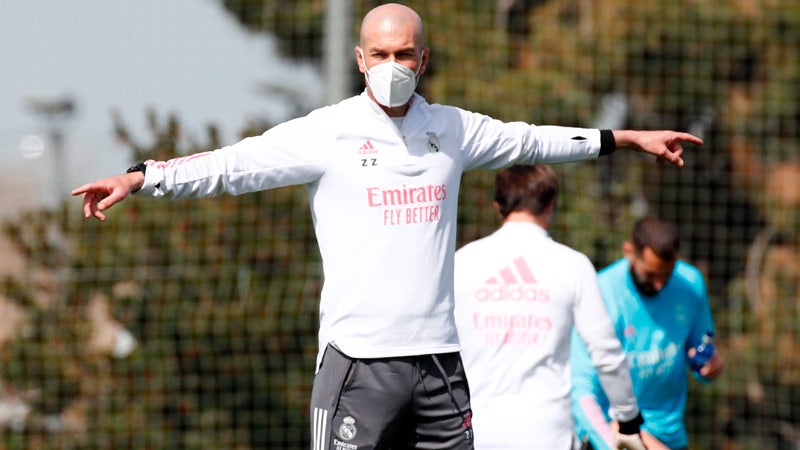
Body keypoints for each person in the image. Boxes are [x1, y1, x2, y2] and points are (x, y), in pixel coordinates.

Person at [71, 4, 703, 449]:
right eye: (380, 54)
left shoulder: (453, 129)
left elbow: (532, 137)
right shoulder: (328, 131)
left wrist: (626, 138)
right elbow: (233, 165)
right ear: (359, 57)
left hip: (440, 365)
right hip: (358, 365)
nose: (392, 65)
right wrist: (143, 176)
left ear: (423, 58)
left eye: (404, 54)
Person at [453, 165, 646, 450]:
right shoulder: (573, 265)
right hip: (547, 433)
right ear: (551, 204)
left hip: (476, 432)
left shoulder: (463, 262)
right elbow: (605, 352)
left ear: (497, 206)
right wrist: (628, 417)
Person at [571, 216, 725, 450]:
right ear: (628, 251)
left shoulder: (690, 283)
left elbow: (700, 350)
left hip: (670, 436)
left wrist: (708, 366)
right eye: (651, 275)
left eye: (667, 274)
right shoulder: (600, 295)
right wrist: (625, 442)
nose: (660, 285)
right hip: (613, 435)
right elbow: (581, 390)